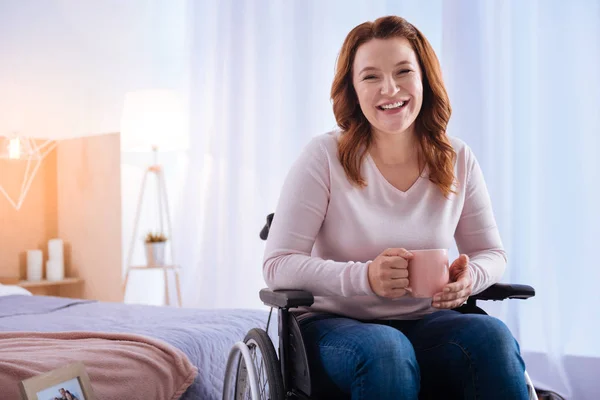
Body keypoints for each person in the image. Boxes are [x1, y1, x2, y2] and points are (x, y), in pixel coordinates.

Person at [263, 15, 529, 400]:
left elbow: (492, 253)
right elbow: (278, 264)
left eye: (404, 71)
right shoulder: (323, 156)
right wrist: (365, 278)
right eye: (370, 77)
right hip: (335, 327)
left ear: (424, 79)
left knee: (492, 337)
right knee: (387, 349)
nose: (390, 88)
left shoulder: (457, 158)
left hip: (427, 323)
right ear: (353, 90)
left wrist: (468, 279)